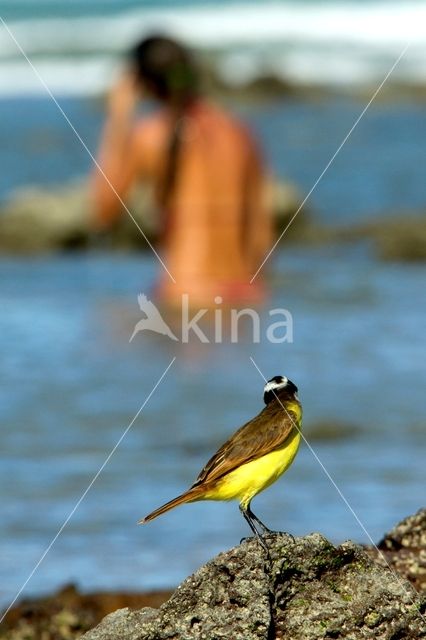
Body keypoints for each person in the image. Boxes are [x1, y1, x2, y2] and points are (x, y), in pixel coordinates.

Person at [92, 35, 272, 307]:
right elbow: (261, 236)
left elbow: (104, 213)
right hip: (245, 292)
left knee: (108, 327)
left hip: (187, 292)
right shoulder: (240, 133)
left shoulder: (150, 136)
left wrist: (118, 119)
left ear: (143, 85)